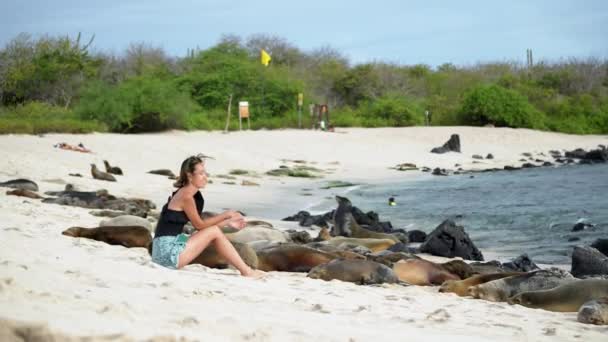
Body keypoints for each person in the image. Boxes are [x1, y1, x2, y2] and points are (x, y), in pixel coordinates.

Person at [151, 154, 264, 278]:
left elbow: (202, 229)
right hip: (167, 254)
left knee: (202, 233)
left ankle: (246, 270)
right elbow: (200, 225)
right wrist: (226, 214)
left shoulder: (186, 193)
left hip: (167, 246)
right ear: (189, 175)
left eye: (205, 173)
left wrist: (227, 223)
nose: (205, 177)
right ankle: (246, 271)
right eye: (201, 174)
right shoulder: (186, 197)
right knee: (213, 232)